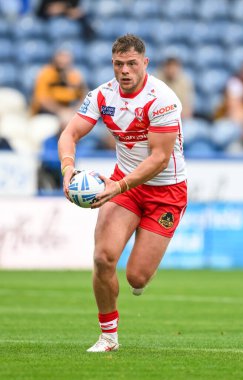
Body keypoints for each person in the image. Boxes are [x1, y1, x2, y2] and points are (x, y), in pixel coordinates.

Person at [58, 34, 187, 352]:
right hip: (124, 186)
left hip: (165, 191)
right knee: (103, 258)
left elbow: (158, 159)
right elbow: (70, 133)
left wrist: (118, 185)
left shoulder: (163, 99)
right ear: (112, 63)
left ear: (145, 63)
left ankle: (141, 275)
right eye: (118, 64)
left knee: (136, 278)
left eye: (131, 63)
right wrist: (67, 168)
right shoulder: (102, 95)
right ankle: (108, 337)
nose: (125, 70)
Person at [31, 48, 87, 127]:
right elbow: (42, 100)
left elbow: (84, 98)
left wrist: (73, 110)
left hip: (68, 112)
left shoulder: (75, 76)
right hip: (45, 114)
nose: (63, 64)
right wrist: (60, 111)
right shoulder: (46, 73)